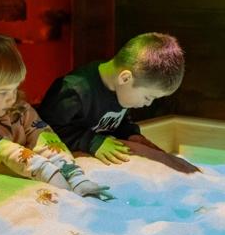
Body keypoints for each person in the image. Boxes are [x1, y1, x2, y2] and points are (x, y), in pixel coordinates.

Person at [0, 33, 113, 201]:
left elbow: (46, 141)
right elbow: (5, 150)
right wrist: (51, 175)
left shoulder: (20, 110)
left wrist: (76, 177)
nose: (11, 98)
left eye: (15, 89)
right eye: (3, 92)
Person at [37, 32, 198, 173]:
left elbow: (117, 120)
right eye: (148, 97)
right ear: (125, 78)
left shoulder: (122, 91)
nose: (148, 104)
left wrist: (130, 134)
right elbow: (44, 131)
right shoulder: (74, 91)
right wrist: (93, 142)